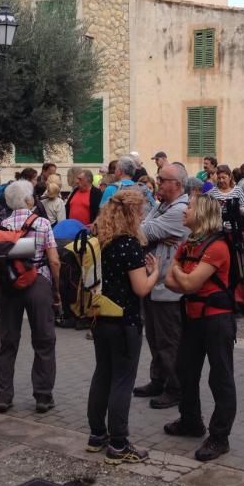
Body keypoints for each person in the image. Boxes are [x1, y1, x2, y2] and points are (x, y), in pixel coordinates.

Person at [85, 189, 159, 464]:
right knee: (122, 380)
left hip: (100, 317)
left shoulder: (100, 240)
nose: (142, 216)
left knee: (102, 374)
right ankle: (118, 443)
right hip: (125, 320)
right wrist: (154, 273)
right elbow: (140, 288)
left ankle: (96, 435)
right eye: (140, 211)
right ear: (131, 213)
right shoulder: (128, 244)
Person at [164, 194, 237, 461]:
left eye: (190, 207)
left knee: (220, 378)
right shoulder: (190, 243)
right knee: (185, 370)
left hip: (217, 320)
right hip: (193, 316)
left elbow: (187, 283)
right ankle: (191, 421)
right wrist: (181, 277)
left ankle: (220, 437)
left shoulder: (216, 246)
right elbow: (171, 283)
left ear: (203, 213)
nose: (185, 210)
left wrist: (177, 271)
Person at [0, 180, 61, 413]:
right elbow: (53, 260)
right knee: (44, 340)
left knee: (8, 342)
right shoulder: (42, 223)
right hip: (38, 282)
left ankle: (3, 395)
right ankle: (43, 396)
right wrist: (56, 289)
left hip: (11, 286)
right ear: (29, 200)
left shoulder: (2, 224)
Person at [134, 163, 189, 409]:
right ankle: (159, 379)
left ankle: (175, 387)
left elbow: (143, 230)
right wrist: (147, 232)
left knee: (169, 340)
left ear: (176, 184)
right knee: (155, 338)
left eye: (162, 179)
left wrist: (147, 232)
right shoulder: (161, 206)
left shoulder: (180, 210)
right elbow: (141, 229)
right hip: (153, 279)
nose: (157, 182)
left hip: (169, 286)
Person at [206, 164, 244, 232]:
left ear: (230, 177)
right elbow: (206, 210)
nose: (221, 180)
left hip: (235, 230)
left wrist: (236, 209)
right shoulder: (212, 192)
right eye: (219, 178)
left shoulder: (238, 190)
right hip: (217, 231)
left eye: (224, 177)